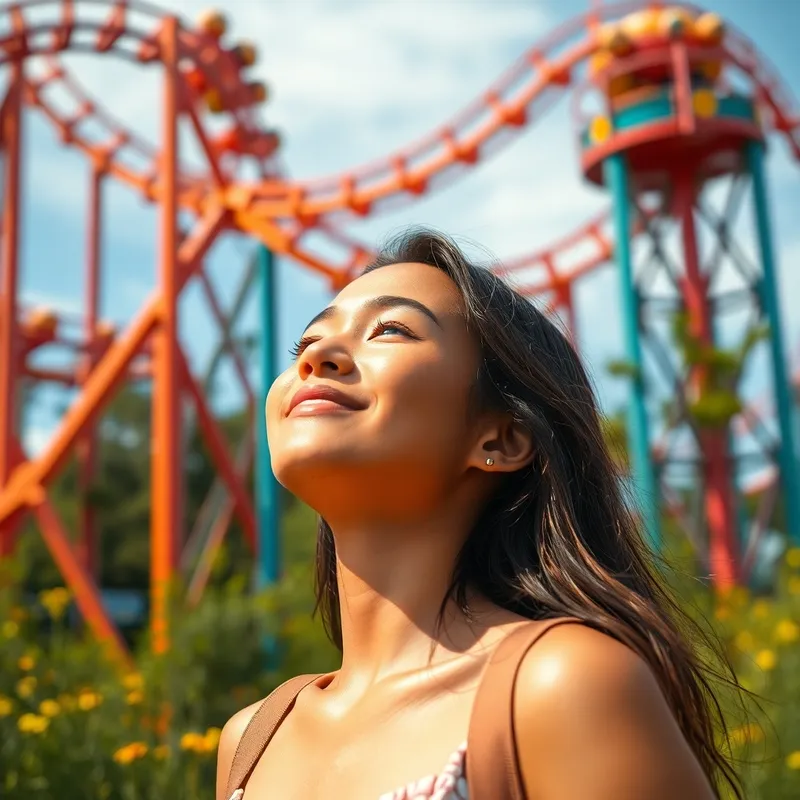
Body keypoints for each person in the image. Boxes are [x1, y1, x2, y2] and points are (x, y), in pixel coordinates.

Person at [217, 228, 743, 800]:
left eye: (390, 329)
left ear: (502, 437)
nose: (317, 356)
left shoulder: (562, 685)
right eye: (305, 343)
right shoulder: (252, 740)